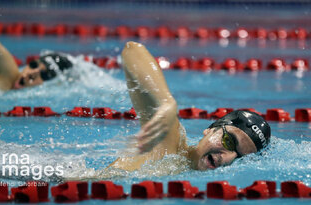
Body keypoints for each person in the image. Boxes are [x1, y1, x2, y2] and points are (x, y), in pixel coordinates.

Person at [110, 41, 271, 171]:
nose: (228, 159)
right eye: (229, 141)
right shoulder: (169, 145)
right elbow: (132, 51)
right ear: (210, 129)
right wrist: (167, 103)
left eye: (240, 158)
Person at [0, 12, 74, 101]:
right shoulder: (8, 75)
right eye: (34, 65)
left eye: (44, 75)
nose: (32, 73)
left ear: (55, 85)